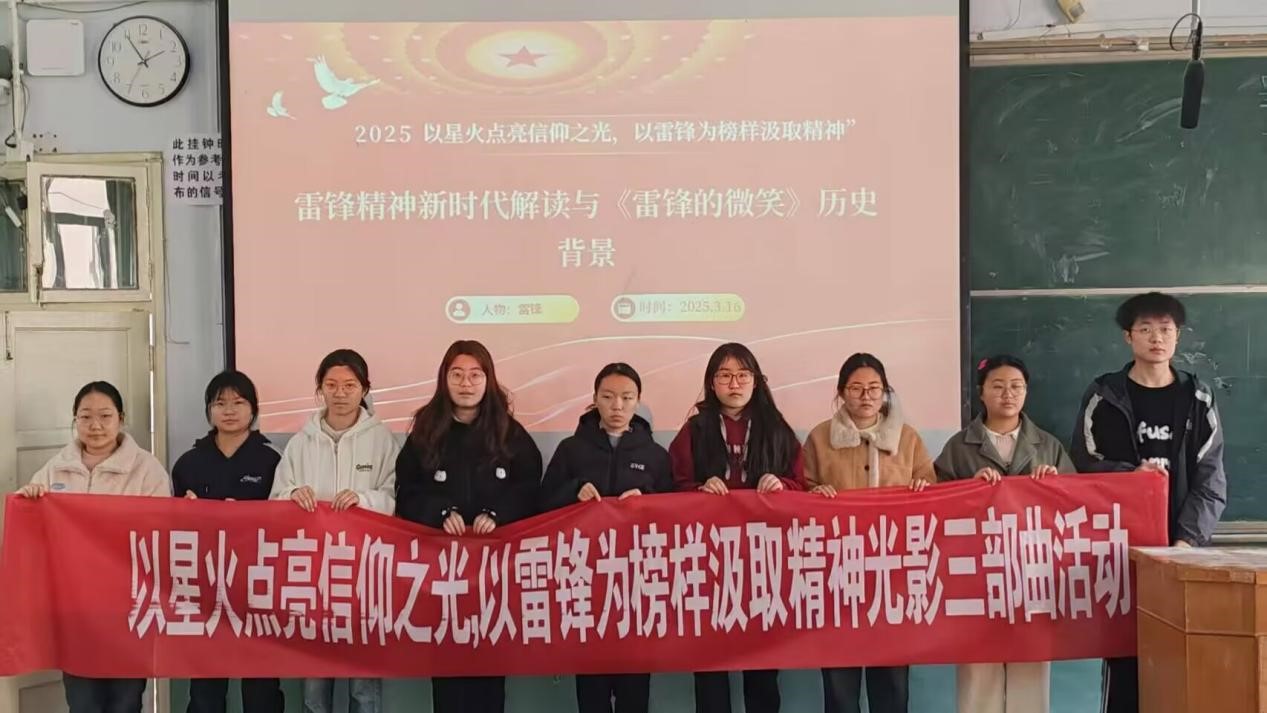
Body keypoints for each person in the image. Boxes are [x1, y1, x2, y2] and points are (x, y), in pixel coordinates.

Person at [1071, 292, 1226, 713]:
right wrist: (1130, 477)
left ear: (1177, 336)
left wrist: (1185, 544)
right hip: (1120, 555)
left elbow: (1211, 482)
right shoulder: (1104, 396)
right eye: (1146, 329)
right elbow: (1084, 466)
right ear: (1128, 337)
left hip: (1182, 554)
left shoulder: (1198, 398)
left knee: (1181, 664)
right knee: (1125, 663)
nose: (1157, 338)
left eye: (1165, 330)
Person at [394, 340, 543, 713]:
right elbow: (407, 492)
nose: (466, 383)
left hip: (495, 579)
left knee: (489, 675)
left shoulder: (509, 433)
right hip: (441, 576)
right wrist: (440, 513)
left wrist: (498, 513)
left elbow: (530, 489)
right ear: (444, 379)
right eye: (457, 374)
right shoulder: (425, 432)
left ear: (488, 380)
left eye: (476, 375)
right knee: (447, 676)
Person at [668, 342, 805, 713]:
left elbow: (802, 485)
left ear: (756, 381)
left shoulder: (777, 429)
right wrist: (698, 491)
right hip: (707, 562)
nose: (734, 384)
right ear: (711, 383)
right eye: (725, 375)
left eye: (743, 375)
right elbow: (671, 487)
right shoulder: (694, 430)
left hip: (763, 563)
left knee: (762, 665)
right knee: (709, 662)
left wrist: (782, 485)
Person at [934, 355, 1075, 713]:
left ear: (1026, 392)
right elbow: (935, 508)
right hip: (977, 578)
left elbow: (1076, 507)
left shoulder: (1048, 446)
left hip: (1033, 576)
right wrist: (968, 489)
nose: (1007, 394)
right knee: (978, 677)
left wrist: (1056, 486)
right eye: (997, 386)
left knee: (1030, 673)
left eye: (1016, 386)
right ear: (981, 393)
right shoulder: (958, 447)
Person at [18, 381, 170, 713]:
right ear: (75, 419)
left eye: (105, 415)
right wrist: (29, 499)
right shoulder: (57, 467)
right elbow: (32, 527)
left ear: (121, 419)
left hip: (127, 605)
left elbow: (162, 532)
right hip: (76, 607)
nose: (95, 425)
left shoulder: (146, 469)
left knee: (125, 701)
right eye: (85, 416)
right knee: (82, 701)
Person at [270, 348, 399, 713]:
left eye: (349, 385)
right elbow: (276, 500)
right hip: (313, 579)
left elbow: (395, 498)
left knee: (363, 689)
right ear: (320, 389)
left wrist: (364, 500)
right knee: (314, 689)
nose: (340, 393)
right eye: (331, 385)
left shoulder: (382, 440)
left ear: (365, 389)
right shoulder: (302, 442)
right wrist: (293, 495)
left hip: (364, 578)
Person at [803, 353, 933, 713]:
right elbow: (801, 491)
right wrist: (813, 494)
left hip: (892, 574)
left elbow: (931, 491)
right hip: (836, 573)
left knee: (891, 681)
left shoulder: (907, 438)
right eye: (856, 388)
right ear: (841, 392)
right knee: (840, 680)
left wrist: (923, 488)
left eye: (874, 388)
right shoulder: (819, 438)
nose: (866, 396)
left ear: (885, 392)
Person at [540, 362, 673, 713]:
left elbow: (676, 513)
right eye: (608, 396)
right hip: (585, 584)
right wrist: (574, 490)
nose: (617, 406)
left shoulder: (655, 455)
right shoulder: (571, 450)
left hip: (637, 587)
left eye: (627, 397)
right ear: (595, 398)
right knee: (592, 691)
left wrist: (648, 501)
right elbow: (542, 504)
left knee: (634, 691)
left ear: (638, 401)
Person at [172, 370, 284, 713]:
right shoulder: (189, 463)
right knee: (205, 688)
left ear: (254, 409)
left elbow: (285, 523)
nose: (230, 410)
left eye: (239, 402)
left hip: (257, 585)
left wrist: (247, 517)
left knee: (261, 688)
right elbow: (172, 528)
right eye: (220, 403)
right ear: (209, 410)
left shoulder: (272, 461)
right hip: (206, 585)